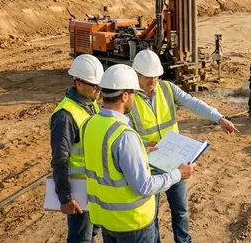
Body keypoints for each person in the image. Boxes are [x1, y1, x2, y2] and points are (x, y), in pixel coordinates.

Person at [129, 49, 238, 243]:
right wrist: (144, 144)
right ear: (136, 73)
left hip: (175, 162)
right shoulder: (128, 98)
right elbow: (125, 131)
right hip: (149, 165)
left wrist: (218, 118)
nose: (152, 81)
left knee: (180, 211)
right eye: (148, 76)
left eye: (155, 76)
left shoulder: (167, 88)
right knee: (150, 216)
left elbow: (192, 103)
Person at [82, 64, 193, 243]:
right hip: (132, 222)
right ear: (125, 95)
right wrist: (178, 174)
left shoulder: (89, 125)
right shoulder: (125, 135)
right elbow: (143, 186)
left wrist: (139, 150)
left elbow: (107, 162)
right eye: (134, 93)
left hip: (106, 220)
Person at [49, 54, 104, 243]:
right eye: (93, 84)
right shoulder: (65, 116)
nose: (99, 89)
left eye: (99, 84)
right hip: (78, 192)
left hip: (94, 188)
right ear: (78, 83)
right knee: (81, 239)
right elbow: (60, 159)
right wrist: (65, 198)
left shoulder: (91, 105)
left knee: (92, 234)